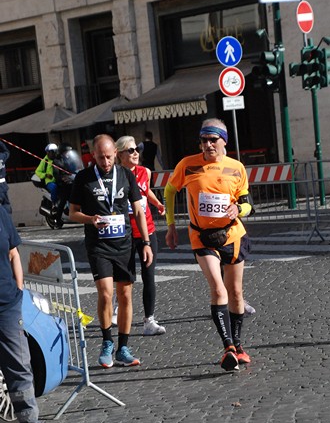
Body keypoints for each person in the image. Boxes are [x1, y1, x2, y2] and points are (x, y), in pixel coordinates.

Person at [164, 118, 253, 371]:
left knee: (236, 293)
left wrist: (239, 209)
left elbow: (247, 202)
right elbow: (170, 191)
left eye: (213, 140)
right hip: (201, 236)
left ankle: (238, 344)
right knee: (218, 288)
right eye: (204, 140)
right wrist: (171, 225)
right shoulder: (188, 165)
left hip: (232, 234)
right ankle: (227, 347)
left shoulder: (236, 168)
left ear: (224, 140)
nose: (208, 145)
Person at [69, 134, 153, 368]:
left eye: (108, 157)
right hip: (98, 245)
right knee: (105, 293)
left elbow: (138, 211)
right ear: (93, 155)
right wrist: (90, 218)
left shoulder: (126, 175)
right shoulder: (84, 178)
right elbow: (72, 212)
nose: (105, 162)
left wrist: (145, 243)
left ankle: (123, 347)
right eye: (100, 157)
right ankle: (107, 342)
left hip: (124, 244)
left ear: (116, 154)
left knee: (125, 295)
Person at [0, 205, 60, 423]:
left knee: (20, 369)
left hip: (7, 304)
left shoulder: (1, 212)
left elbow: (14, 253)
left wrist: (20, 289)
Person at [115, 136, 166, 336]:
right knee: (124, 279)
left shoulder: (145, 171)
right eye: (131, 150)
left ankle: (149, 320)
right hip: (124, 234)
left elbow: (146, 192)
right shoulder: (115, 175)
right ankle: (117, 307)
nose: (136, 153)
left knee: (149, 275)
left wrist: (157, 204)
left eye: (137, 149)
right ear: (119, 155)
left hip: (147, 231)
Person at [0, 139, 12, 214]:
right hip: (3, 186)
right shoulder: (2, 156)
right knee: (6, 205)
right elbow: (7, 151)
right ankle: (8, 222)